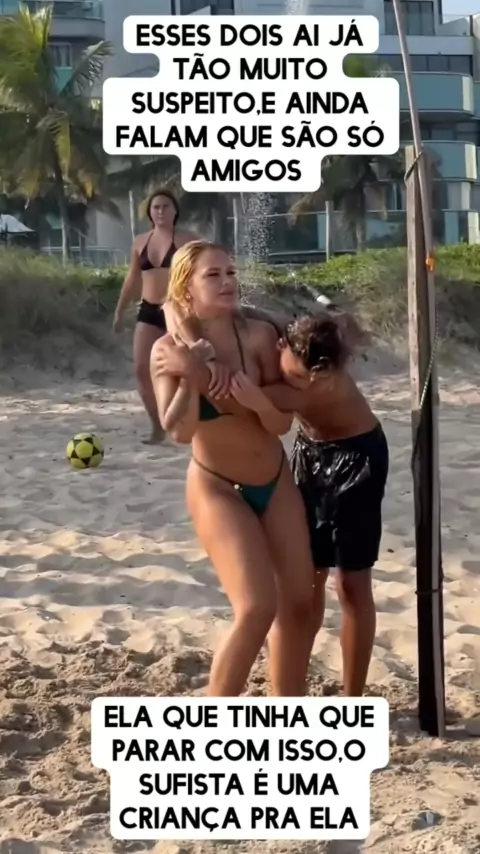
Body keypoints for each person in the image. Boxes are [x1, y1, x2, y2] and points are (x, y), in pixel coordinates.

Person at [168, 300, 387, 697]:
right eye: (297, 375)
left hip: (357, 457)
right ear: (281, 344)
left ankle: (352, 698)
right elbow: (177, 303)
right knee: (307, 578)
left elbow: (232, 399)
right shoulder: (280, 331)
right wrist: (190, 331)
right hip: (311, 452)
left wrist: (194, 367)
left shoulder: (314, 382)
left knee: (352, 584)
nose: (301, 384)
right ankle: (289, 687)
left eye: (308, 380)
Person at [149, 240, 316, 697]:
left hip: (274, 480)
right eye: (213, 275)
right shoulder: (167, 350)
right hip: (217, 486)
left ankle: (287, 710)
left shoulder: (258, 337)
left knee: (299, 603)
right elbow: (179, 430)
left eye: (231, 272)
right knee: (257, 608)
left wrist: (256, 401)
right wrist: (192, 376)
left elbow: (281, 424)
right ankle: (214, 716)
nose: (227, 282)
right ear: (186, 287)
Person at [113, 188, 197, 443]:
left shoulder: (188, 240)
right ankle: (157, 425)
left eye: (165, 206)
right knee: (141, 369)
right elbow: (132, 279)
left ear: (175, 211)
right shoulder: (140, 241)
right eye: (156, 207)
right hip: (148, 310)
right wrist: (119, 311)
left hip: (179, 311)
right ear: (150, 212)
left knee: (186, 368)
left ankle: (190, 423)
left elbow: (203, 274)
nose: (160, 211)